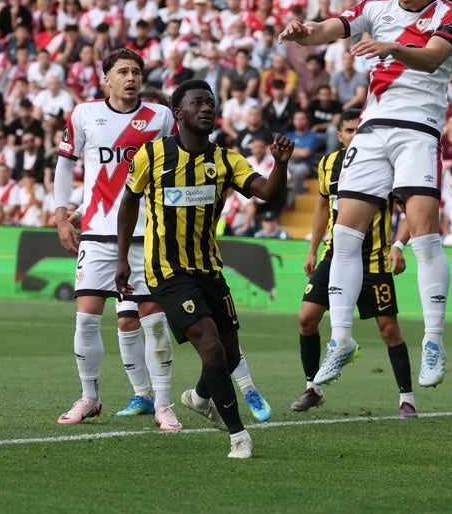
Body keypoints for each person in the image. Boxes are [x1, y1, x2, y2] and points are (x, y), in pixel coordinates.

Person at [279, 0, 452, 389]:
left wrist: (391, 48)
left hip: (418, 128)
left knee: (423, 233)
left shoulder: (449, 15)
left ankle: (433, 341)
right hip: (372, 129)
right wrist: (305, 31)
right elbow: (331, 28)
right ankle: (341, 338)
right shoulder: (375, 7)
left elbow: (434, 57)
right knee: (345, 233)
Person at [116, 80, 291, 459]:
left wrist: (280, 163)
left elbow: (269, 193)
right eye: (197, 102)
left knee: (228, 356)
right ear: (179, 113)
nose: (206, 108)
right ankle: (238, 435)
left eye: (211, 103)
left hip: (209, 270)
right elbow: (128, 202)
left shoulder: (227, 160)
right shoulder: (152, 154)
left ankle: (197, 397)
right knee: (210, 346)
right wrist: (121, 259)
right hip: (166, 271)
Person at [54, 49, 181, 430]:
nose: (131, 77)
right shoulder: (83, 114)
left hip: (147, 234)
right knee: (86, 321)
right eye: (123, 72)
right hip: (95, 231)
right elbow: (65, 164)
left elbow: (176, 168)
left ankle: (162, 404)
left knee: (153, 322)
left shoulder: (161, 117)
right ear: (105, 79)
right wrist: (62, 216)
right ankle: (89, 397)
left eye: (136, 72)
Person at [294, 109, 417, 417]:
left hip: (373, 258)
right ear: (340, 136)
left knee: (388, 329)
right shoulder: (328, 164)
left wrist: (399, 244)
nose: (355, 136)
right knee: (307, 318)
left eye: (360, 130)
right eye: (349, 130)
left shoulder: (385, 165)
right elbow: (323, 205)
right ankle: (312, 388)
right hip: (334, 255)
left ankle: (407, 398)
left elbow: (412, 208)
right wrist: (312, 250)